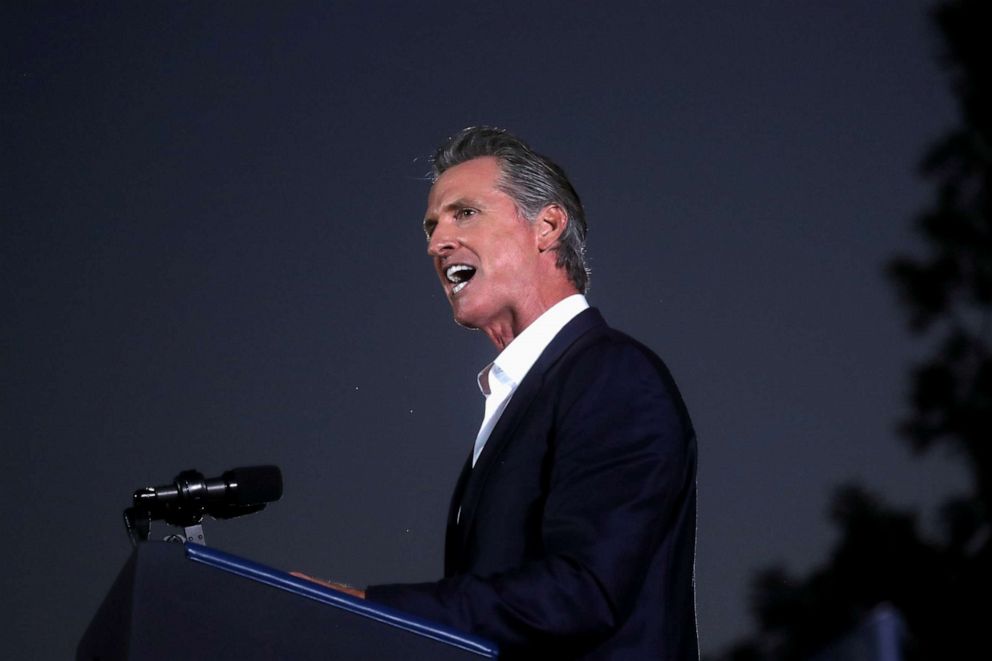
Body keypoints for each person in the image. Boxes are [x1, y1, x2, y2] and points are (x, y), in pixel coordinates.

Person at [354, 127, 697, 659]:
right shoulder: (525, 397)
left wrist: (371, 608)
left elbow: (584, 593)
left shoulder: (613, 376)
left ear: (548, 226)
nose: (435, 242)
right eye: (431, 224)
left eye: (465, 213)